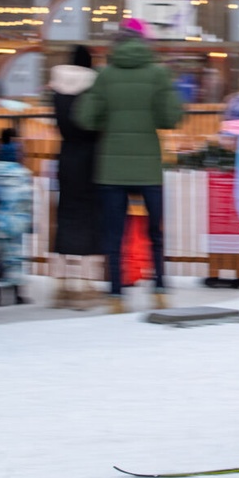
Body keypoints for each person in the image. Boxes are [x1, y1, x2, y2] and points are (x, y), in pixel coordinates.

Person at [74, 19, 184, 313]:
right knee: (155, 232)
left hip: (111, 169)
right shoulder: (158, 74)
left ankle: (116, 295)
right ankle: (159, 287)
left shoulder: (104, 76)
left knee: (114, 233)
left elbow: (86, 119)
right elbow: (169, 118)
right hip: (148, 166)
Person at [49, 44, 104, 308]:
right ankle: (84, 284)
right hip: (91, 158)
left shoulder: (57, 89)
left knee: (66, 213)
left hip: (66, 155)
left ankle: (60, 284)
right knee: (89, 216)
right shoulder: (93, 89)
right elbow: (96, 124)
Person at [0, 127, 34, 307]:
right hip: (17, 221)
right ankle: (18, 294)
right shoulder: (23, 173)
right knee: (16, 257)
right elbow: (27, 200)